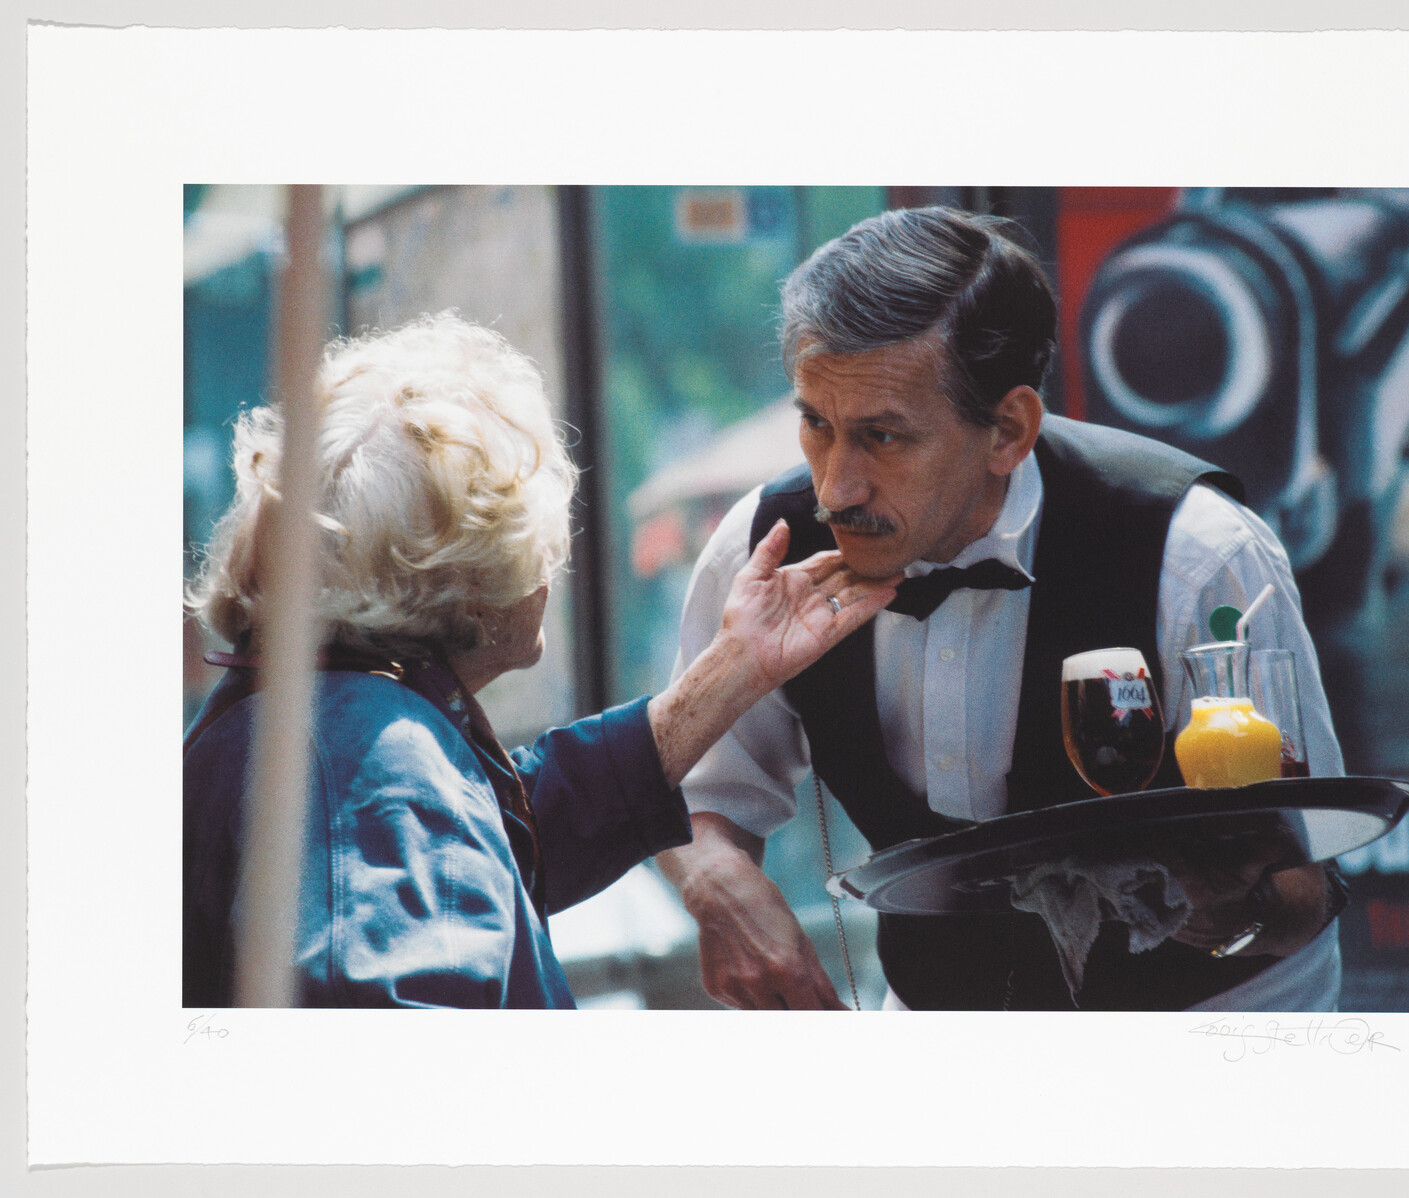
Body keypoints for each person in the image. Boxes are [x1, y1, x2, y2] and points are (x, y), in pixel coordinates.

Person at [656, 207, 1349, 1012]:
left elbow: (1309, 881)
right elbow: (692, 785)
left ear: (1009, 430)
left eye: (883, 437)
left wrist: (1239, 908)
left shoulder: (1197, 553)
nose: (835, 487)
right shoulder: (763, 548)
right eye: (815, 423)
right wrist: (716, 883)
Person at [183, 313, 898, 1008]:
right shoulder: (373, 765)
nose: (554, 567)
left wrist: (734, 667)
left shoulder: (327, 721)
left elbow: (496, 834)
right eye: (540, 533)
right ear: (470, 588)